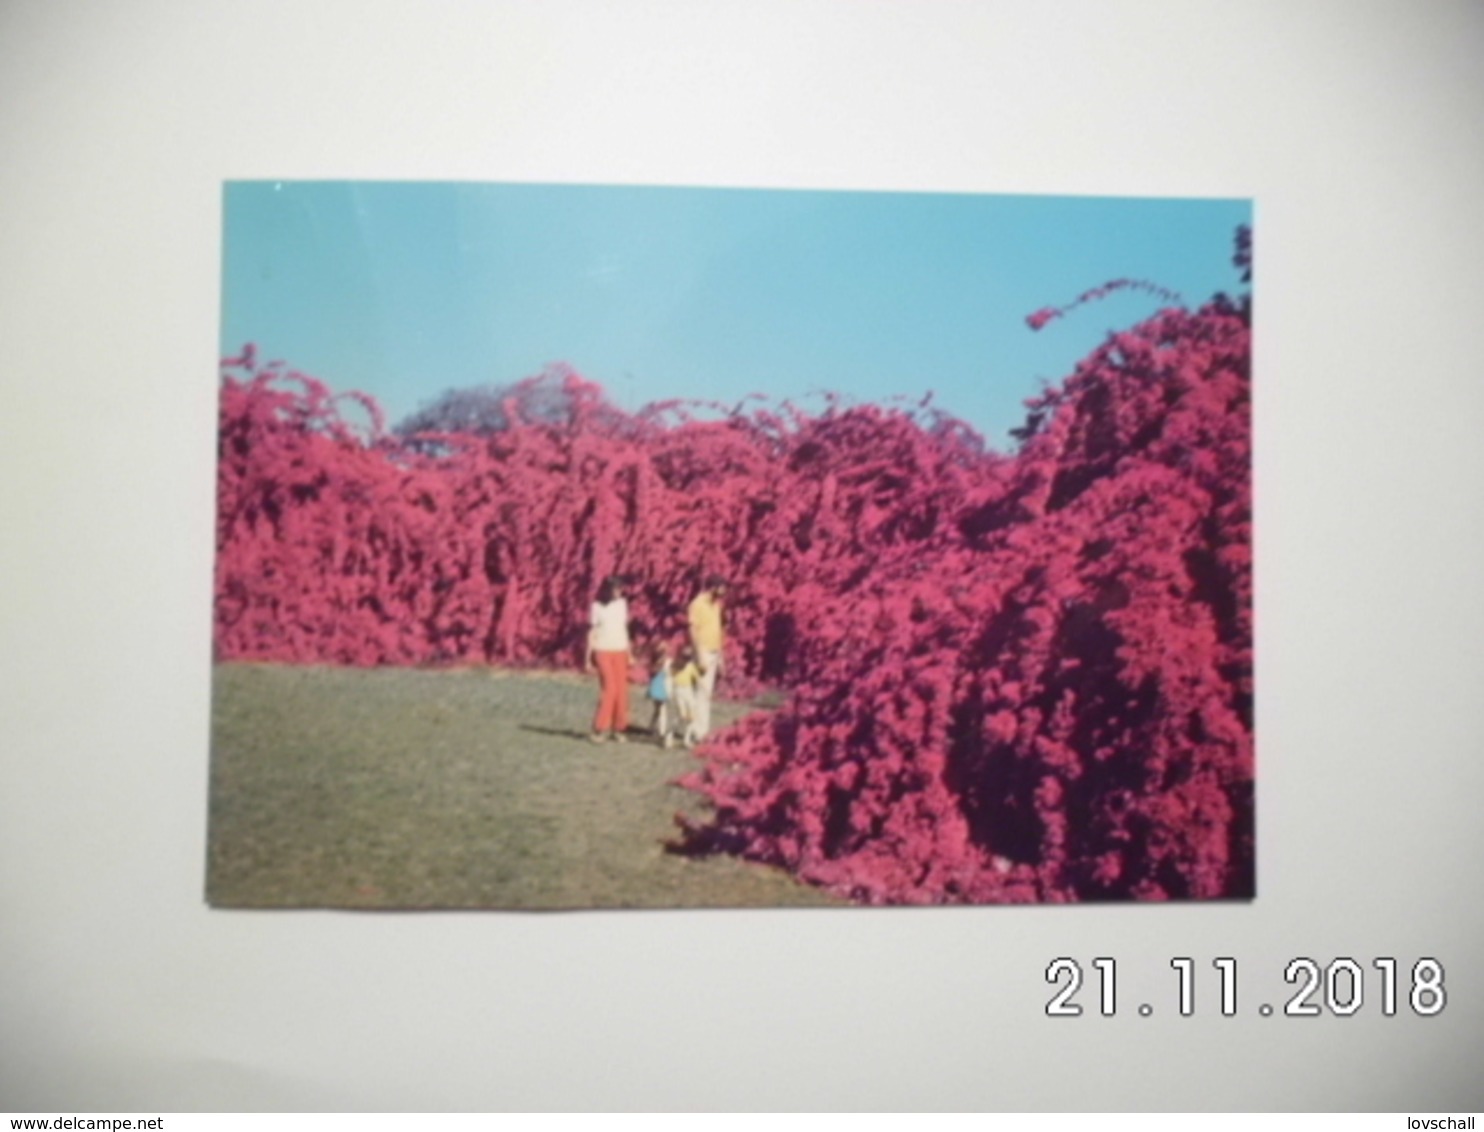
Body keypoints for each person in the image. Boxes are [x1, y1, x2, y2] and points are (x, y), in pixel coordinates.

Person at [585, 575, 633, 743]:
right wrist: (587, 657)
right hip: (603, 650)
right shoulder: (597, 606)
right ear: (608, 589)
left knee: (621, 690)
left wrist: (630, 652)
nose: (619, 592)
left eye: (621, 588)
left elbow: (624, 629)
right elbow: (592, 632)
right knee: (609, 688)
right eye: (616, 588)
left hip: (620, 650)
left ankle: (619, 728)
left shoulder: (622, 605)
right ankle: (599, 728)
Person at [686, 574, 727, 741]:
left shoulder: (716, 605)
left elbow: (718, 631)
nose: (724, 592)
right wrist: (699, 653)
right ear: (712, 587)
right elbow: (693, 630)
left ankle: (702, 729)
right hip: (702, 651)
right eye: (721, 588)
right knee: (701, 691)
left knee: (706, 692)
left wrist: (721, 656)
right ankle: (697, 731)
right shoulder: (697, 604)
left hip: (714, 650)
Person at [670, 643, 705, 749]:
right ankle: (669, 735)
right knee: (681, 716)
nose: (687, 658)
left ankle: (687, 739)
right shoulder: (675, 665)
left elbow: (698, 679)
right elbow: (671, 677)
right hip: (679, 691)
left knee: (692, 717)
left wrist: (705, 691)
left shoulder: (690, 666)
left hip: (688, 691)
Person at [645, 641, 675, 748]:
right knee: (661, 709)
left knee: (659, 710)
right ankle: (661, 732)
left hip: (662, 687)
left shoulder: (667, 662)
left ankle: (652, 726)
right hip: (659, 688)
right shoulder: (657, 664)